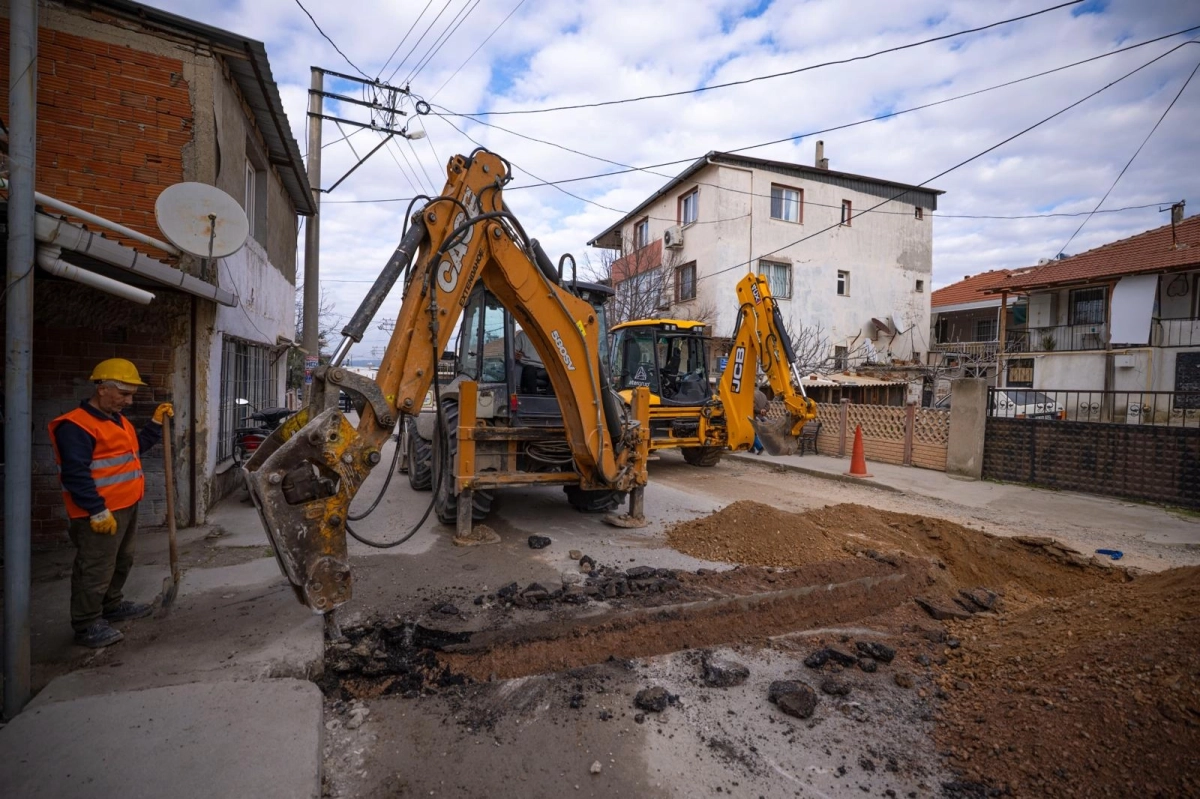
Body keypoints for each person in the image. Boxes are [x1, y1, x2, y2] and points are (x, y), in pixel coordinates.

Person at [48, 358, 173, 648]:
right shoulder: (76, 426)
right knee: (95, 566)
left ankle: (112, 605)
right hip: (98, 512)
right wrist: (96, 510)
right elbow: (75, 473)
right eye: (124, 394)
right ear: (102, 388)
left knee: (120, 560)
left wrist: (155, 424)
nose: (128, 401)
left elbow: (135, 449)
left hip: (126, 506)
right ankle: (86, 623)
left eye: (131, 395)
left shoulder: (118, 421)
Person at [513, 327, 544, 394]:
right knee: (529, 371)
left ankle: (551, 397)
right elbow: (513, 352)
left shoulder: (547, 335)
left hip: (545, 368)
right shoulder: (522, 335)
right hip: (528, 366)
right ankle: (533, 398)